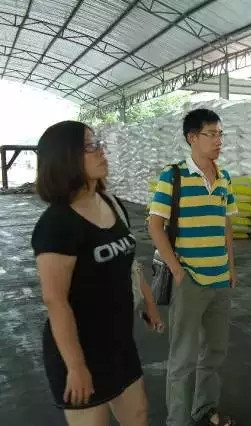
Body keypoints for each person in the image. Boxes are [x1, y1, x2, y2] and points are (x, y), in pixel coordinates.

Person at [31, 120, 160, 425]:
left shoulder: (111, 203)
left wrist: (149, 301)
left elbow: (128, 262)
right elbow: (55, 301)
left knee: (138, 414)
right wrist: (76, 367)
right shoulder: (57, 225)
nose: (101, 151)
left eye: (98, 143)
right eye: (90, 146)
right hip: (79, 348)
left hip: (118, 340)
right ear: (66, 158)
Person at [148, 109, 237, 426]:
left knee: (214, 352)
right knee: (183, 358)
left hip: (220, 280)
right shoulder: (173, 176)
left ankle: (205, 408)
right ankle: (178, 420)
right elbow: (155, 225)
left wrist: (231, 267)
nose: (218, 140)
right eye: (211, 134)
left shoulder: (224, 178)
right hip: (190, 280)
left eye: (220, 134)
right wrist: (177, 271)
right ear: (192, 138)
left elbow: (226, 224)